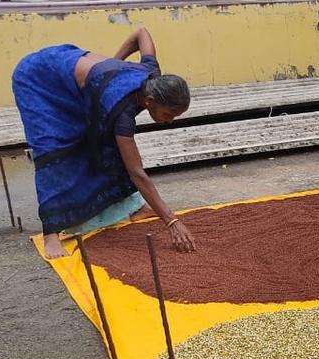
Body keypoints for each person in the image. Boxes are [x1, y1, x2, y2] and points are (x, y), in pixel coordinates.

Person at [12, 27, 197, 258]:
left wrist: (112, 66)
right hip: (38, 79)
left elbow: (141, 33)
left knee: (100, 141)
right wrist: (171, 221)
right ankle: (51, 233)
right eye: (169, 114)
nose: (170, 121)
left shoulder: (151, 74)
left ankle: (131, 207)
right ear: (150, 101)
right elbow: (136, 172)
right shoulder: (122, 112)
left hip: (70, 72)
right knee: (54, 149)